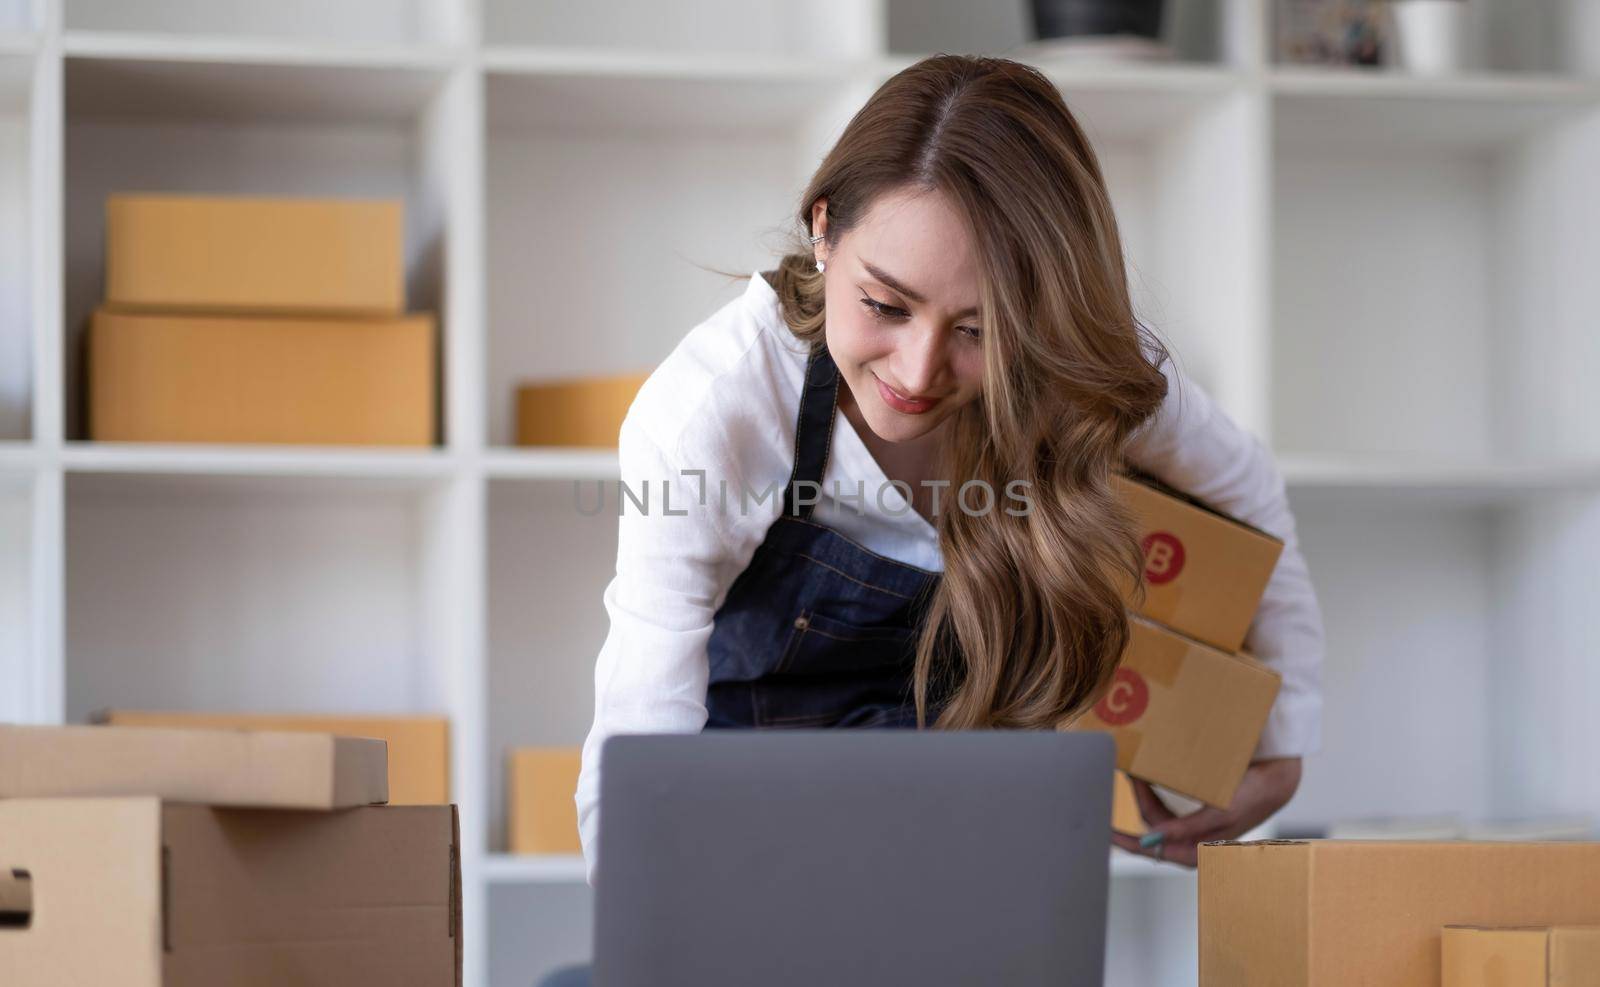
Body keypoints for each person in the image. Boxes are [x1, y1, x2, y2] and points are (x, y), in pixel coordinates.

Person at [572, 52, 1323, 899]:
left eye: (979, 329)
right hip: (752, 860)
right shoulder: (716, 409)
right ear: (824, 231)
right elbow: (637, 752)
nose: (919, 369)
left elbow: (1249, 485)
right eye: (886, 305)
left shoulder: (1074, 364)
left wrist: (1285, 736)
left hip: (983, 846)